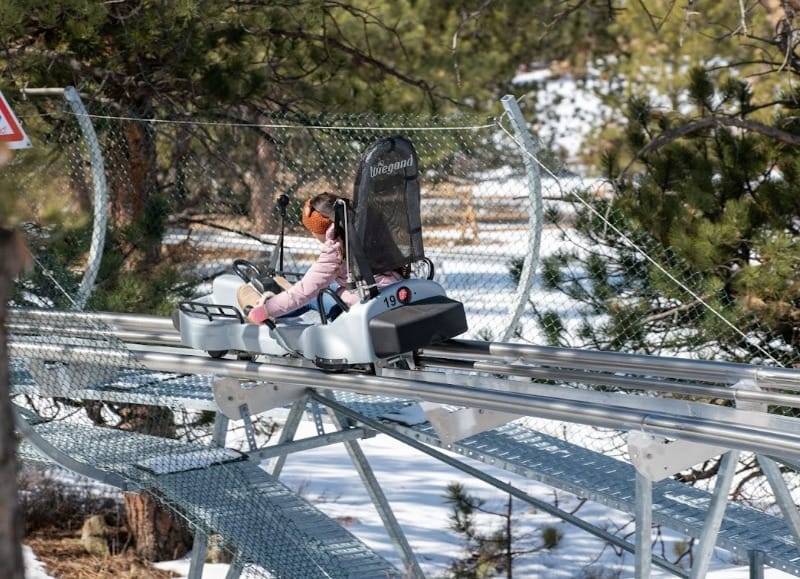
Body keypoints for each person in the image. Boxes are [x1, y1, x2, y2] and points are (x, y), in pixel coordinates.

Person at [245, 192, 406, 324]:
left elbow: (304, 291)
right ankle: (278, 308)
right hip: (392, 293)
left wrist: (266, 310)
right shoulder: (365, 230)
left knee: (314, 295)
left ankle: (270, 316)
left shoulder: (336, 248)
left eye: (312, 230)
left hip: (367, 306)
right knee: (330, 289)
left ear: (321, 228)